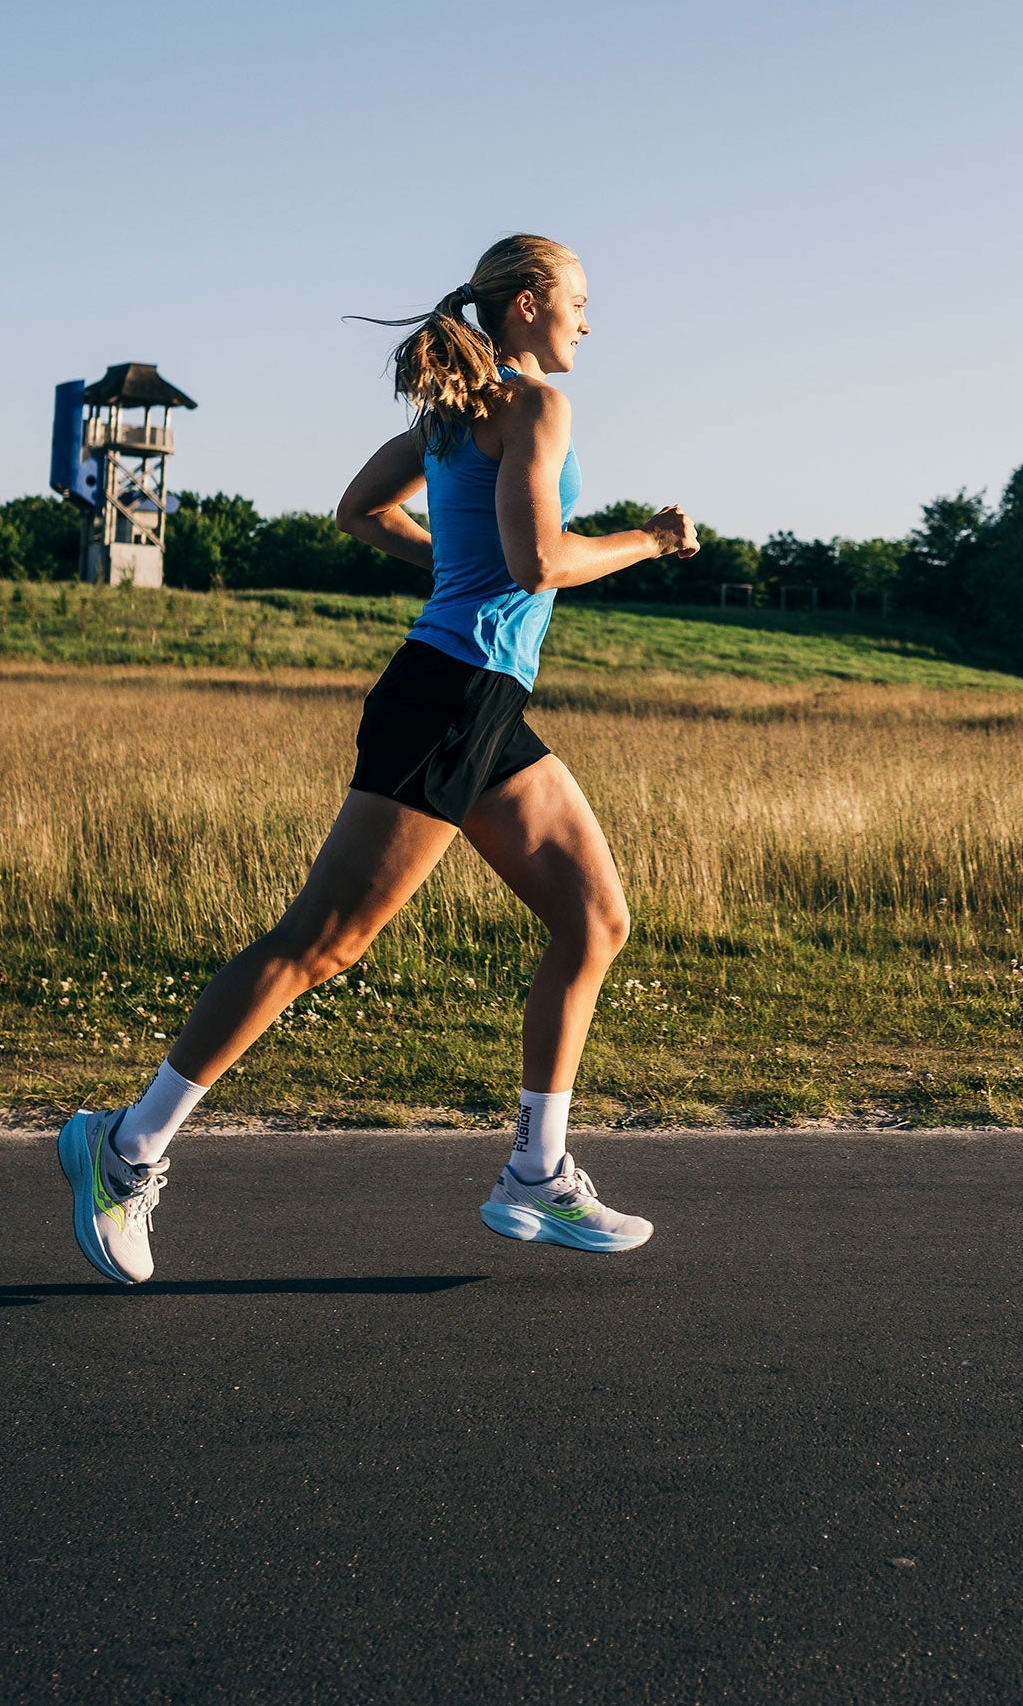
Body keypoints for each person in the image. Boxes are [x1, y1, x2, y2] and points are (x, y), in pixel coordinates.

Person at [58, 233, 699, 1283]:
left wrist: (464, 560)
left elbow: (362, 513)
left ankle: (535, 1172)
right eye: (581, 299)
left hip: (485, 706)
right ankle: (122, 1150)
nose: (590, 319)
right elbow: (540, 560)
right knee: (321, 944)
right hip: (448, 698)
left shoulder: (459, 410)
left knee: (595, 919)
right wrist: (648, 540)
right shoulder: (534, 406)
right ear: (531, 303)